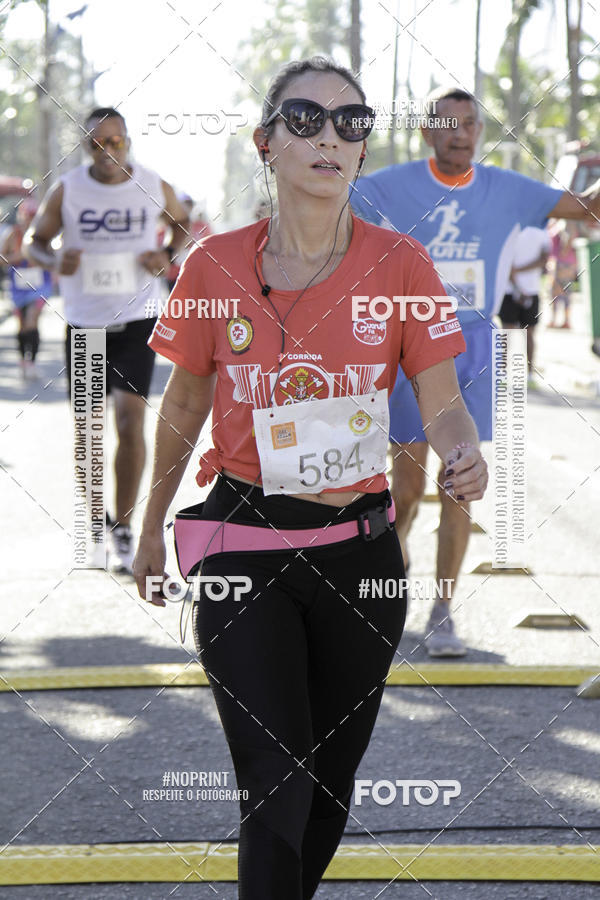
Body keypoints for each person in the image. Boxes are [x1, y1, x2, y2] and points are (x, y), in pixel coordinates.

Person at [133, 57, 488, 899]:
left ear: (364, 151)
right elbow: (181, 406)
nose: (331, 136)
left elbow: (441, 403)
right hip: (242, 550)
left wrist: (461, 451)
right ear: (267, 143)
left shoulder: (402, 265)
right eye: (306, 119)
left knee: (326, 794)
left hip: (360, 559)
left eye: (352, 124)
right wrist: (149, 525)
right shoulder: (213, 267)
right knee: (275, 784)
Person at [351, 86, 600, 657]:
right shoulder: (388, 187)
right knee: (406, 489)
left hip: (472, 346)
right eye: (447, 123)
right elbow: (321, 206)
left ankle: (442, 611)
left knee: (460, 484)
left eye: (470, 123)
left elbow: (586, 208)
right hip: (409, 346)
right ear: (426, 131)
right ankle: (392, 584)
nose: (460, 133)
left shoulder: (507, 190)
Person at [23, 107, 189, 572]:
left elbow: (181, 222)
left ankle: (124, 531)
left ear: (128, 141)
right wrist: (54, 261)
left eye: (115, 141)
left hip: (137, 318)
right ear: (85, 148)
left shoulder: (153, 183)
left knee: (129, 422)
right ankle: (97, 524)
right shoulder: (70, 189)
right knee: (90, 432)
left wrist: (167, 254)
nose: (107, 151)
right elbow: (36, 242)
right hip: (86, 322)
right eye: (97, 143)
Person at [1, 199, 52, 379]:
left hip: (40, 286)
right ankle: (23, 360)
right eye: (26, 216)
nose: (29, 220)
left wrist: (38, 259)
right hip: (18, 288)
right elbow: (3, 259)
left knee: (32, 319)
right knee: (22, 325)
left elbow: (52, 258)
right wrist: (19, 256)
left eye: (32, 217)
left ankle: (32, 363)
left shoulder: (43, 234)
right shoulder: (13, 234)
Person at [499, 225, 551, 386]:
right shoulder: (516, 229)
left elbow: (543, 259)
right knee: (509, 333)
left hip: (529, 290)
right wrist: (517, 287)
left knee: (525, 334)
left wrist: (517, 274)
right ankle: (504, 374)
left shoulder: (539, 230)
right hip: (513, 290)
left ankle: (528, 375)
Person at [548, 221, 578, 329]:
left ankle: (561, 321)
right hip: (563, 262)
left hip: (561, 263)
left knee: (558, 291)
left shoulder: (564, 222)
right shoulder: (557, 222)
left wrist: (563, 252)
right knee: (561, 291)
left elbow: (570, 236)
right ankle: (561, 320)